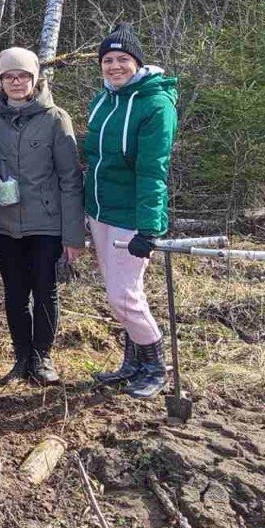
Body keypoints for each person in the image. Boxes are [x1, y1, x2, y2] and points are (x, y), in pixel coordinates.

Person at [82, 23, 179, 399]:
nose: (115, 66)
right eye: (108, 60)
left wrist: (149, 228)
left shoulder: (156, 105)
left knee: (124, 296)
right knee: (118, 293)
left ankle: (155, 367)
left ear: (137, 62)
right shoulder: (103, 100)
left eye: (123, 59)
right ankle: (132, 363)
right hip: (99, 211)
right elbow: (94, 157)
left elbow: (153, 170)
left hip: (130, 216)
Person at [0, 47, 85, 385]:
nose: (16, 82)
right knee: (14, 292)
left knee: (44, 290)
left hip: (47, 223)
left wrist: (72, 236)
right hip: (5, 223)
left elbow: (71, 179)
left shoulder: (56, 119)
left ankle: (42, 358)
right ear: (0, 80)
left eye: (23, 75)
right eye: (9, 76)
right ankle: (21, 358)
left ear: (35, 78)